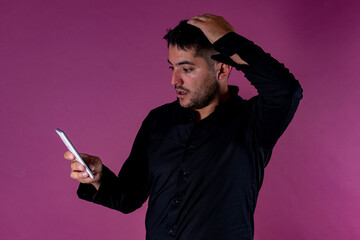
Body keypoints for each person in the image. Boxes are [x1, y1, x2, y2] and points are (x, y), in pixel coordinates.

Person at [64, 14, 302, 240]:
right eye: (172, 67)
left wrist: (229, 41)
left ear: (222, 68)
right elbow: (128, 196)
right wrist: (96, 177)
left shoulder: (253, 122)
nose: (174, 80)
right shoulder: (158, 121)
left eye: (186, 69)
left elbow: (286, 91)